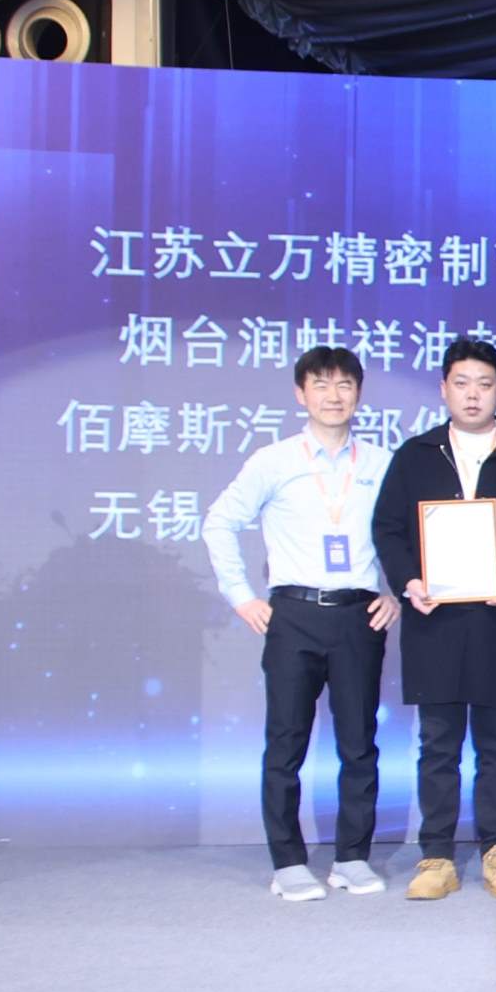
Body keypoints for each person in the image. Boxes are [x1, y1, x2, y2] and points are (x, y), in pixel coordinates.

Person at [200, 343, 398, 900]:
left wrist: (399, 594)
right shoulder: (274, 461)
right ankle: (287, 861)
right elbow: (219, 522)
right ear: (300, 393)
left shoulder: (382, 463)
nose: (334, 396)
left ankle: (352, 857)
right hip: (292, 615)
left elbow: (408, 537)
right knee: (286, 741)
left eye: (344, 385)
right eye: (321, 385)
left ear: (359, 394)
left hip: (358, 616)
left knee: (359, 743)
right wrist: (242, 597)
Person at [371, 336, 496, 901]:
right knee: (438, 744)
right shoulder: (415, 456)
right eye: (462, 383)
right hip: (436, 622)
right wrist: (409, 582)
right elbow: (388, 529)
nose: (473, 395)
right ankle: (435, 856)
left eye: (484, 384)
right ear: (443, 390)